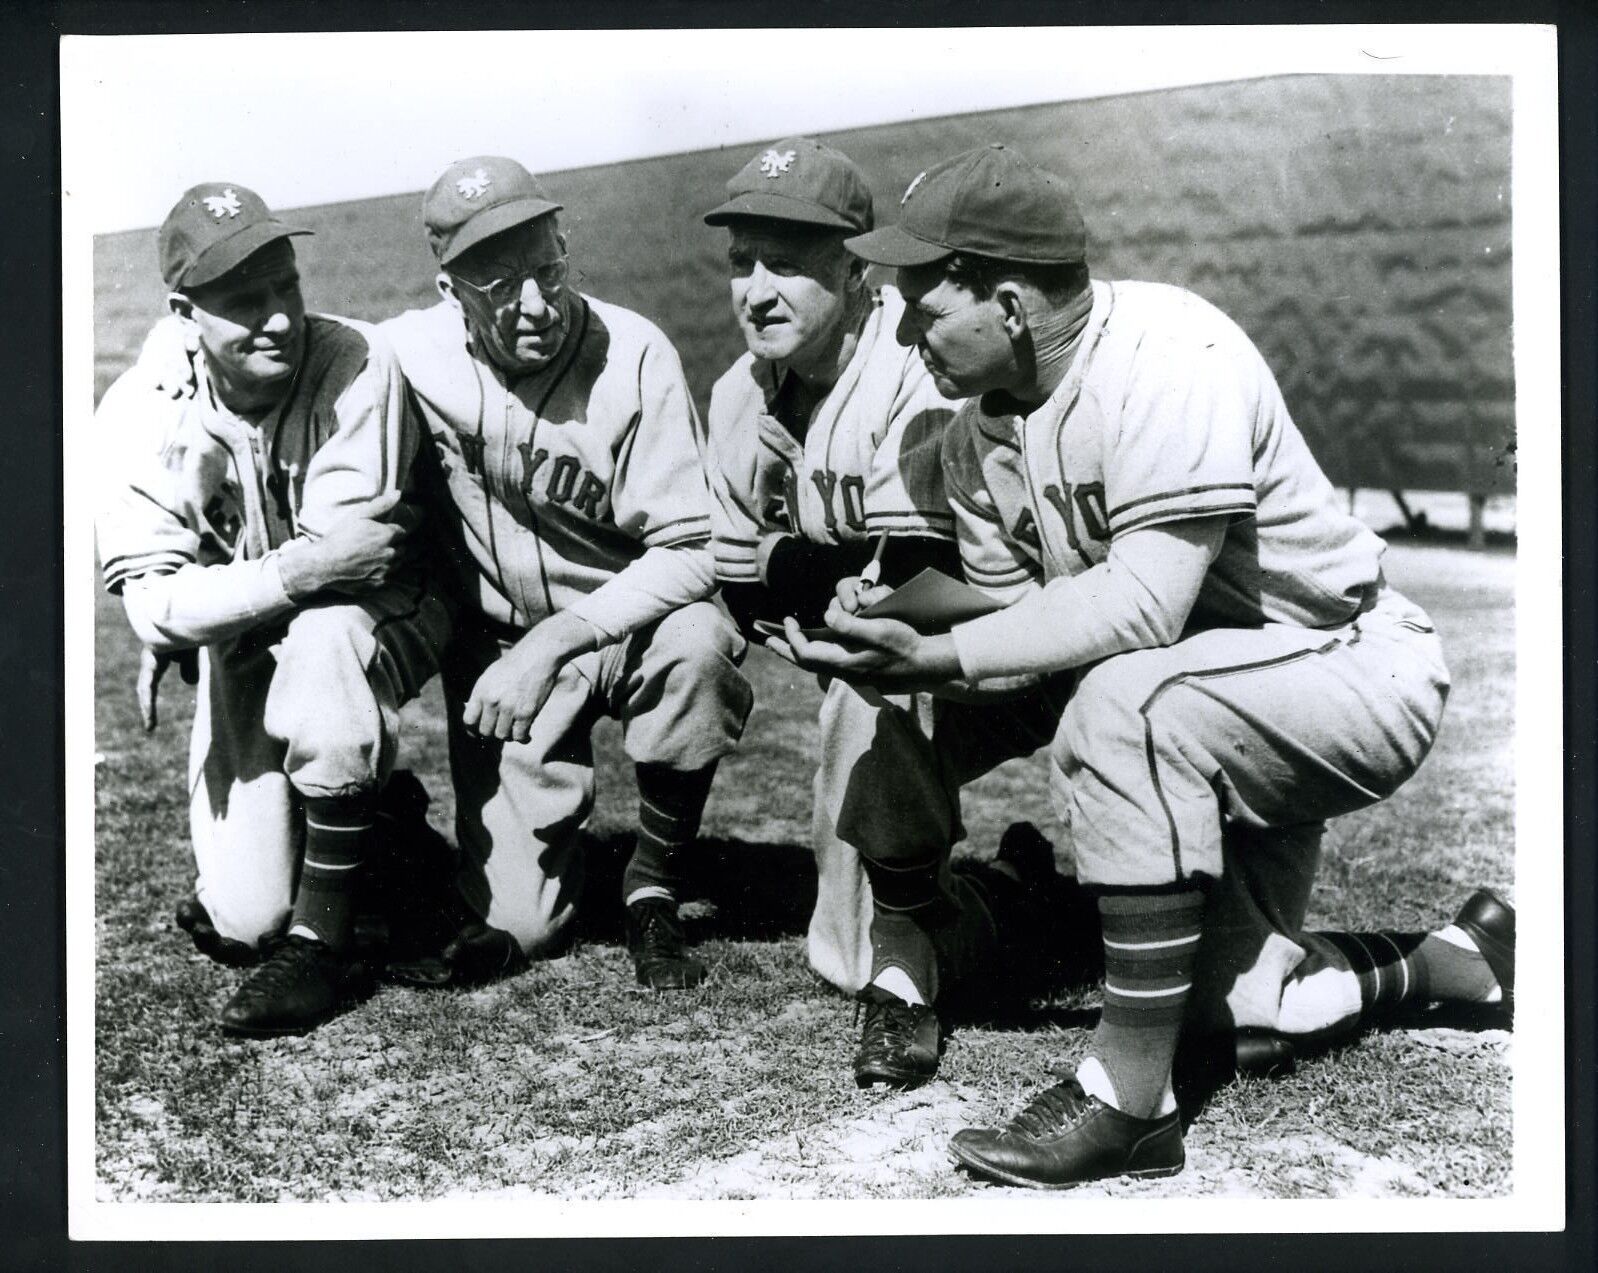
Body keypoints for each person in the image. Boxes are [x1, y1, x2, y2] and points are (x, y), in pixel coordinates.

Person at [773, 143, 1514, 1187]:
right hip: (1194, 687)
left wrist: (942, 648)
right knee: (1241, 1005)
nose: (900, 332)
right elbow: (1019, 608)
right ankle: (1460, 957)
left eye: (924, 308)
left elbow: (1141, 602)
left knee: (1120, 699)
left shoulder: (1168, 351)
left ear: (1011, 301)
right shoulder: (980, 420)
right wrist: (885, 626)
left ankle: (1130, 1105)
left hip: (1335, 662)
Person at [131, 158, 755, 992]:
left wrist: (560, 641)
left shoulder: (634, 352)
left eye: (547, 269)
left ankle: (653, 884)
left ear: (566, 248)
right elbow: (229, 355)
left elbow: (690, 548)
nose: (534, 303)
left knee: (702, 644)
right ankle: (388, 823)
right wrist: (178, 604)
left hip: (626, 625)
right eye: (499, 283)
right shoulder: (401, 354)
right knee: (521, 926)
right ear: (450, 288)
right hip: (498, 648)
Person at [702, 138, 1097, 1089]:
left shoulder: (916, 365)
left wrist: (797, 561)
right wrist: (808, 568)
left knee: (872, 672)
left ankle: (932, 957)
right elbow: (740, 585)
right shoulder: (735, 393)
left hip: (1045, 632)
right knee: (838, 952)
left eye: (788, 262)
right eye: (741, 261)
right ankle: (1013, 896)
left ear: (855, 267)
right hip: (939, 635)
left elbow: (920, 574)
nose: (757, 289)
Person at [96, 183, 452, 1037]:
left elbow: (347, 566)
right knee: (244, 921)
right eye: (243, 302)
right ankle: (381, 815)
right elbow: (156, 605)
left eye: (285, 286)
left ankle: (324, 943)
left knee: (325, 639)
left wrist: (202, 607)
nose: (279, 319)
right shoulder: (138, 415)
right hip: (263, 627)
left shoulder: (352, 360)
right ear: (185, 314)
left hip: (386, 606)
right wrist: (187, 615)